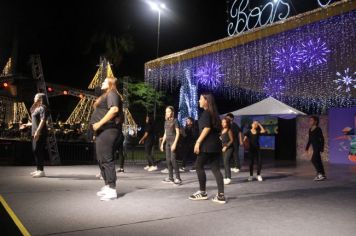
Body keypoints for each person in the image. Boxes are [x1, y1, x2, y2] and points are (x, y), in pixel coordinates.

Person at [189, 93, 226, 204]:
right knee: (215, 169)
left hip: (207, 145)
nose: (198, 101)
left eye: (200, 99)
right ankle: (221, 195)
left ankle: (203, 192)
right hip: (216, 146)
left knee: (199, 166)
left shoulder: (206, 113)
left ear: (206, 101)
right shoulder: (215, 114)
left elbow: (207, 128)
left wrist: (198, 142)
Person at [90, 76, 123, 201]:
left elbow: (114, 109)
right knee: (101, 159)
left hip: (108, 130)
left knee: (107, 159)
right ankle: (107, 185)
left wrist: (99, 123)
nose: (102, 83)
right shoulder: (106, 95)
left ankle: (112, 189)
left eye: (104, 81)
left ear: (110, 83)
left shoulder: (113, 93)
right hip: (102, 131)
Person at [25, 93, 48, 178]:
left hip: (40, 132)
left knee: (38, 150)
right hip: (34, 131)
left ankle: (41, 171)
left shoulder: (43, 108)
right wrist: (27, 125)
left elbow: (43, 120)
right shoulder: (37, 108)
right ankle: (38, 169)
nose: (34, 98)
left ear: (40, 99)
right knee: (36, 150)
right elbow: (31, 110)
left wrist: (38, 131)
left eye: (35, 97)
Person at [160, 106, 182, 185]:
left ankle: (178, 178)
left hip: (173, 142)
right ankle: (170, 178)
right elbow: (165, 133)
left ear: (172, 112)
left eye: (168, 111)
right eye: (166, 112)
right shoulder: (166, 122)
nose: (167, 113)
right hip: (168, 143)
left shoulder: (175, 121)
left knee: (173, 160)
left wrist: (175, 143)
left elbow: (178, 133)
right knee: (168, 161)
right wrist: (162, 143)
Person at [305, 116, 326, 181]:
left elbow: (322, 139)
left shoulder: (318, 129)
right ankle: (323, 174)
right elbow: (310, 140)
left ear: (315, 121)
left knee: (313, 160)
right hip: (314, 148)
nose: (310, 121)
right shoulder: (310, 129)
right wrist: (307, 148)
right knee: (318, 161)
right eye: (310, 120)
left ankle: (320, 174)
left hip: (318, 147)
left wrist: (321, 148)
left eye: (312, 120)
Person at [220, 118, 234, 185]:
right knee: (224, 163)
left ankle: (229, 178)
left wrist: (226, 146)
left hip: (229, 148)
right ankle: (225, 177)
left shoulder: (229, 130)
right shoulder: (222, 130)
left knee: (226, 162)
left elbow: (231, 140)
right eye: (222, 122)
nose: (223, 123)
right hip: (223, 148)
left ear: (227, 123)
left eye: (224, 122)